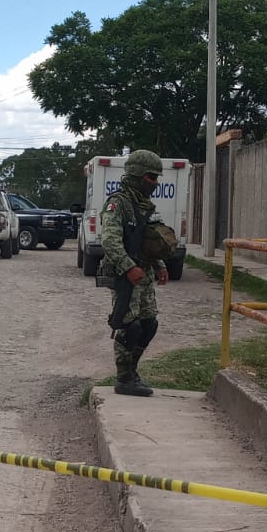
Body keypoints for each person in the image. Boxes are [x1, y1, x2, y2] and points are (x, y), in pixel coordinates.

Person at [99, 149, 170, 397]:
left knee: (149, 324)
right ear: (138, 175)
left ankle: (133, 371)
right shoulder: (117, 204)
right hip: (125, 275)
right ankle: (124, 378)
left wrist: (160, 265)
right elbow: (110, 241)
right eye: (152, 177)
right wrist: (128, 267)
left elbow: (148, 240)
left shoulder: (145, 205)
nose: (155, 183)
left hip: (145, 273)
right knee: (130, 326)